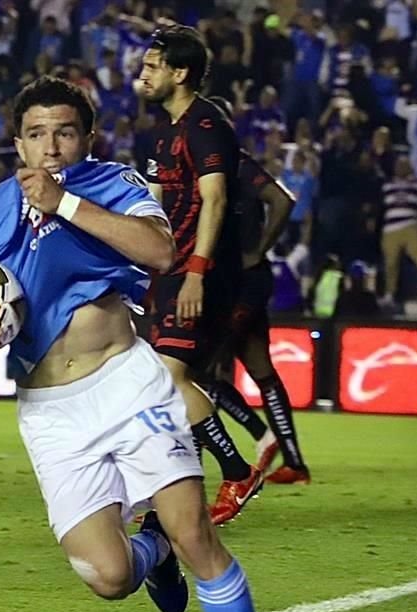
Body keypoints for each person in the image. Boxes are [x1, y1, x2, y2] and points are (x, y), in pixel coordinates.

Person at [0, 76, 259, 612]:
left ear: (88, 138)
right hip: (50, 411)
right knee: (110, 575)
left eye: (64, 133)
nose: (50, 147)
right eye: (36, 135)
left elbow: (162, 251)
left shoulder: (114, 184)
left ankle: (192, 567)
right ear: (18, 145)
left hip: (126, 382)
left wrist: (64, 203)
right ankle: (154, 552)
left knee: (196, 533)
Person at [137, 26, 264, 525]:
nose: (143, 74)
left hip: (201, 272)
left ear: (179, 73)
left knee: (168, 378)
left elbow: (216, 199)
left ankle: (237, 471)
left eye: (152, 66)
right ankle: (169, 494)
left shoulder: (205, 126)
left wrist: (195, 274)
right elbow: (155, 203)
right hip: (171, 269)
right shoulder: (164, 132)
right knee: (168, 381)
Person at [205, 95, 311, 487]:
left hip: (243, 280)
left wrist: (257, 250)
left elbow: (282, 201)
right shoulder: (217, 165)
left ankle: (259, 436)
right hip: (236, 279)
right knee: (259, 368)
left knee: (201, 369)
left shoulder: (233, 163)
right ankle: (294, 462)